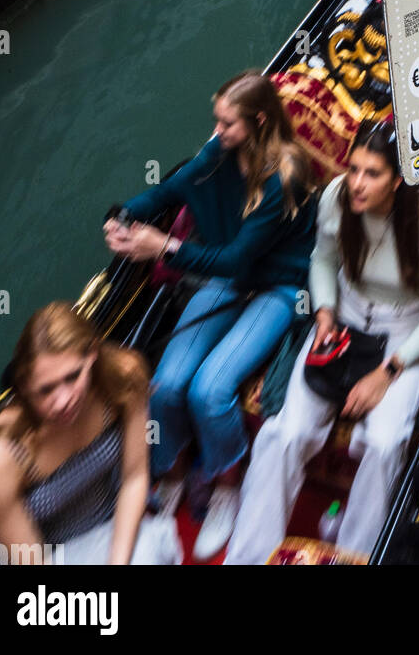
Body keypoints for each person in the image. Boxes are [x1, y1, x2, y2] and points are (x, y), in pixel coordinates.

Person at [104, 69, 317, 559]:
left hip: (279, 286)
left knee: (210, 388)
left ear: (259, 121)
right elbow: (166, 193)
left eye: (227, 124)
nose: (217, 132)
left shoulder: (286, 173)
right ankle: (174, 468)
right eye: (216, 122)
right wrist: (120, 217)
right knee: (168, 382)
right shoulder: (217, 153)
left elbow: (238, 258)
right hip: (228, 278)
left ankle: (226, 481)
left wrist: (165, 246)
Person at [225, 120, 419, 563]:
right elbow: (322, 261)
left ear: (398, 179)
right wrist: (323, 313)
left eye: (372, 174)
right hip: (344, 316)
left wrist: (388, 371)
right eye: (353, 169)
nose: (356, 184)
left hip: (405, 330)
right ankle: (247, 556)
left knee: (384, 443)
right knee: (286, 432)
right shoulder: (338, 197)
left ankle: (356, 552)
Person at [0, 302, 179, 564]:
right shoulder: (1, 459)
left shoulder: (122, 378)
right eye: (45, 390)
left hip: (115, 529)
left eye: (72, 377)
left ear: (92, 354)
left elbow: (134, 478)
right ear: (24, 386)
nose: (62, 401)